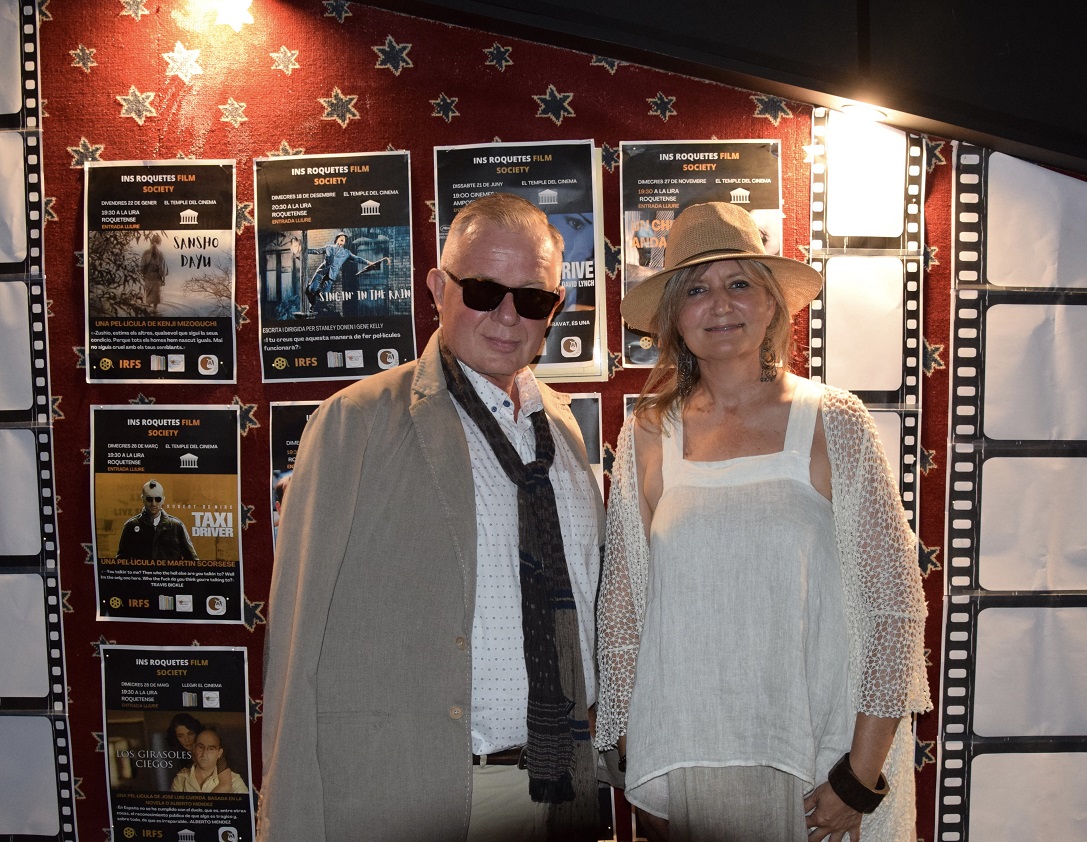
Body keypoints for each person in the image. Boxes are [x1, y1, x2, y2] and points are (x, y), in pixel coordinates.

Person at [260, 193, 605, 841]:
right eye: (483, 291)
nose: (508, 315)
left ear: (555, 306)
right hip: (408, 794)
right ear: (438, 289)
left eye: (532, 298)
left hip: (552, 789)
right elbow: (298, 636)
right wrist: (289, 819)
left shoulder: (560, 429)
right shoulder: (356, 422)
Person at [596, 202, 931, 841]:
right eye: (696, 290)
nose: (720, 304)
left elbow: (895, 607)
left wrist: (858, 780)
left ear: (772, 303)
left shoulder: (833, 420)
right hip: (688, 765)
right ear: (674, 317)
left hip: (821, 765)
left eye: (739, 282)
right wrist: (639, 759)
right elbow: (623, 611)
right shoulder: (647, 432)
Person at [116, 479, 198, 561]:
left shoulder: (176, 526)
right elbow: (121, 561)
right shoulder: (131, 526)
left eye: (158, 499)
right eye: (149, 499)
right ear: (143, 499)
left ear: (163, 500)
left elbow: (193, 561)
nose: (153, 503)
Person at [304, 231, 389, 309]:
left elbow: (357, 258)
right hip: (321, 271)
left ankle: (315, 298)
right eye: (341, 239)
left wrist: (369, 262)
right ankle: (311, 293)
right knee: (312, 289)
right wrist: (304, 250)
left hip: (331, 275)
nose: (342, 241)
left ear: (344, 243)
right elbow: (317, 251)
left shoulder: (346, 253)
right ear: (337, 240)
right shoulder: (329, 248)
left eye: (344, 240)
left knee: (324, 295)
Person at [171, 728, 248, 794]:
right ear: (194, 748)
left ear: (219, 753)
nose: (204, 753)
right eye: (201, 747)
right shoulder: (180, 780)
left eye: (211, 749)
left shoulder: (234, 780)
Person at [139, 233, 168, 314]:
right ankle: (155, 311)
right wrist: (163, 278)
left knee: (148, 295)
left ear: (150, 242)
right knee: (156, 297)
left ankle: (148, 312)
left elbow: (142, 266)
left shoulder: (145, 253)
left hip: (147, 277)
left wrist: (143, 274)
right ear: (159, 243)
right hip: (156, 278)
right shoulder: (160, 254)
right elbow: (161, 269)